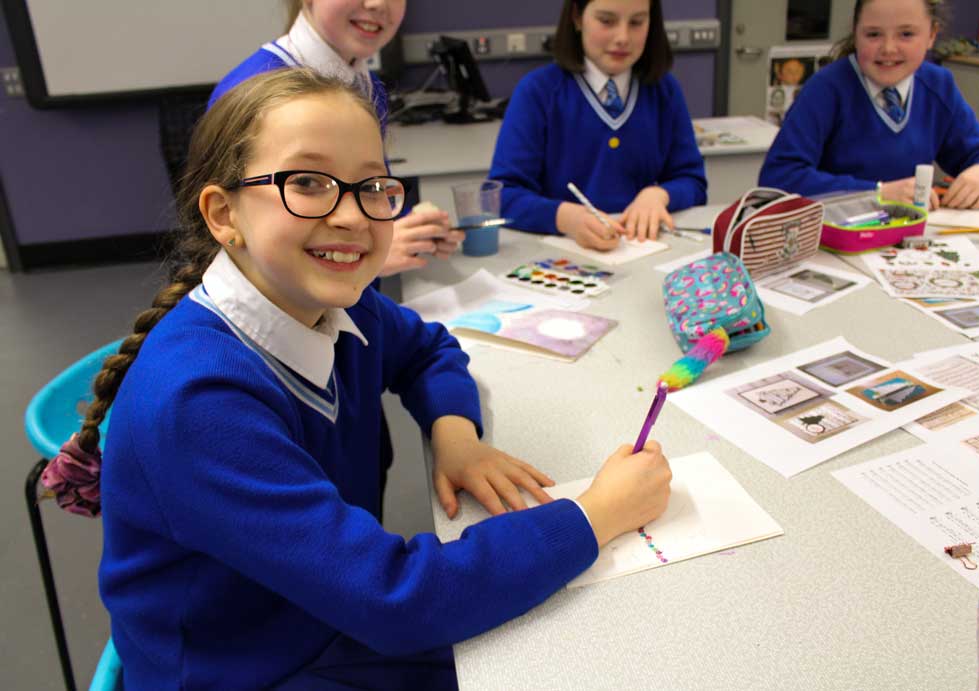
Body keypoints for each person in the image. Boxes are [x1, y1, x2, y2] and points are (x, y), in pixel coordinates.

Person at [51, 68, 672, 689]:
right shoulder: (201, 404)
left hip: (319, 612)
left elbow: (427, 349)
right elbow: (395, 597)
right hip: (247, 667)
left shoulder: (335, 303)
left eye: (373, 186)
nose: (352, 216)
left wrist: (456, 435)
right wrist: (593, 516)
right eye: (308, 183)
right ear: (223, 213)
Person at [210, 0, 464, 277]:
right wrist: (373, 253)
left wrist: (410, 230)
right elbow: (232, 252)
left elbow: (361, 191)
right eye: (307, 183)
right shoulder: (253, 90)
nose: (378, 3)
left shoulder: (366, 85)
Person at [488, 0, 707, 250]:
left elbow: (693, 182)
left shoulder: (664, 90)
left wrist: (659, 196)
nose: (623, 37)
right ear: (577, 17)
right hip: (560, 255)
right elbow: (502, 196)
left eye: (636, 22)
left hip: (642, 250)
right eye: (607, 21)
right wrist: (564, 218)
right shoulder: (539, 91)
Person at [758, 0, 979, 210]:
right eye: (873, 34)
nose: (889, 48)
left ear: (932, 35)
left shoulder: (938, 85)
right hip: (835, 238)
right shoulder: (826, 89)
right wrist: (877, 193)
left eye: (906, 34)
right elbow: (779, 178)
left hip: (908, 238)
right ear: (856, 33)